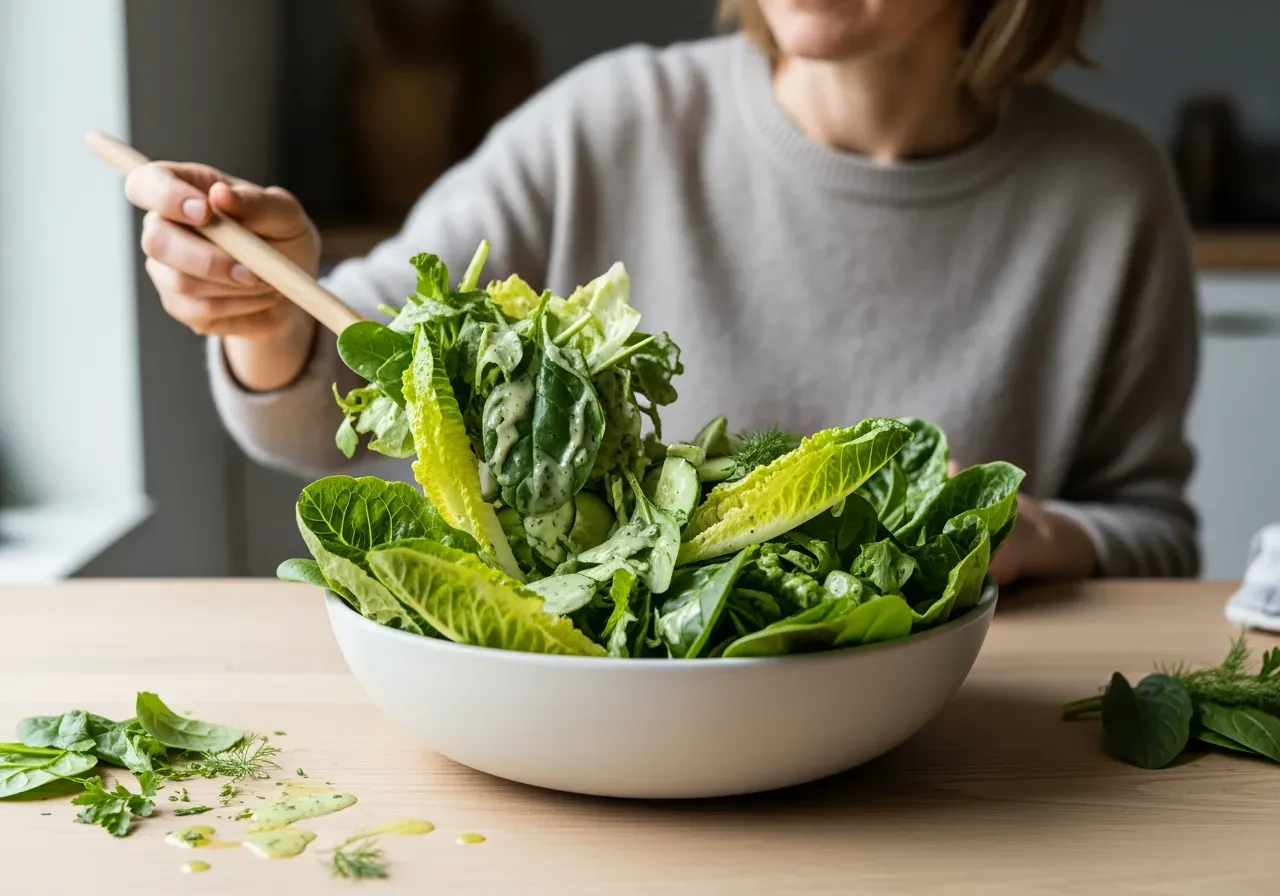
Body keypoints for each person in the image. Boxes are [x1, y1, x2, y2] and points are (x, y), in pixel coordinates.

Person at [122, 0, 1199, 585]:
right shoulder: (602, 124)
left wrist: (1036, 535)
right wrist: (263, 309)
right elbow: (339, 385)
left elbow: (1156, 536)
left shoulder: (1107, 193)